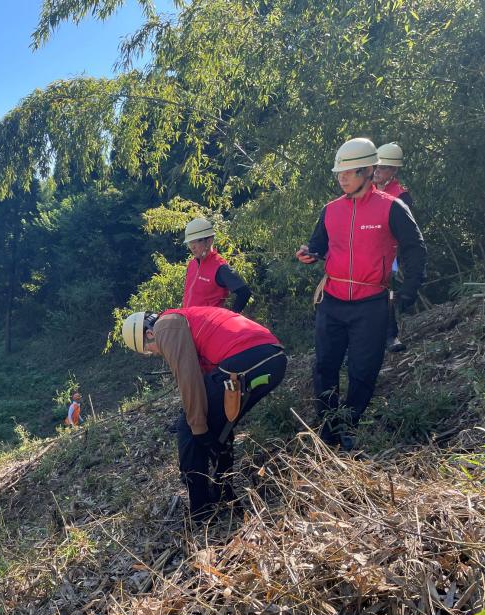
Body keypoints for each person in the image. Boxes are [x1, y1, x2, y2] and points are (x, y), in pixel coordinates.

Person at [296, 138, 426, 449]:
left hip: (371, 303)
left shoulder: (392, 207)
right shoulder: (330, 210)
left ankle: (349, 426)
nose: (342, 178)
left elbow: (415, 248)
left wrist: (408, 291)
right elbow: (318, 244)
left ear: (368, 171)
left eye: (349, 172)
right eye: (339, 172)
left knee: (363, 369)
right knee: (325, 366)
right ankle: (327, 429)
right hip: (332, 301)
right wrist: (309, 252)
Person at [122, 306, 286, 522]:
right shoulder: (185, 320)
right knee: (218, 426)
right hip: (270, 357)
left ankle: (201, 512)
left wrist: (197, 426)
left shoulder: (165, 326)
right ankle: (223, 492)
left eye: (150, 350)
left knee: (189, 428)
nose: (156, 352)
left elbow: (188, 378)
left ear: (149, 333)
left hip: (247, 357)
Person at [374, 142, 415, 352]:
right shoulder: (365, 190)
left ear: (393, 170)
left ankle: (391, 335)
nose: (378, 171)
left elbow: (408, 233)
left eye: (383, 167)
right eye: (377, 166)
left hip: (391, 252)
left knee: (388, 290)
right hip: (368, 249)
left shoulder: (400, 195)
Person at [182, 218, 252, 312]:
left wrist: (230, 317)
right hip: (188, 322)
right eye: (190, 242)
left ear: (209, 241)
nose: (192, 247)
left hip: (207, 324)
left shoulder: (220, 267)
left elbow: (244, 292)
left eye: (196, 241)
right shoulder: (192, 265)